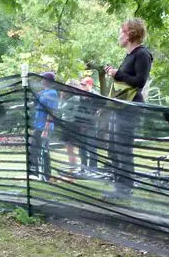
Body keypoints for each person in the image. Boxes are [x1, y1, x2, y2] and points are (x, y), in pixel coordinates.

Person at [104, 19, 154, 197]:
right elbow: (125, 79)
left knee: (123, 147)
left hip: (131, 108)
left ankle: (124, 189)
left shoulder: (142, 54)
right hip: (121, 108)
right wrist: (114, 73)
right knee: (116, 147)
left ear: (131, 34)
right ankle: (119, 187)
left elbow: (139, 82)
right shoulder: (129, 55)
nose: (119, 35)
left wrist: (118, 74)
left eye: (121, 32)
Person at [60, 76, 97, 174]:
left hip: (91, 125)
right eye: (81, 84)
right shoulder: (80, 96)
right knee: (82, 147)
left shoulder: (96, 95)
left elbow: (97, 109)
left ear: (90, 85)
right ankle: (83, 168)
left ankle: (93, 169)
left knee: (92, 147)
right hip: (80, 125)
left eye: (84, 85)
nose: (81, 86)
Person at [29, 72, 59, 181]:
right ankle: (35, 173)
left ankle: (46, 175)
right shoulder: (43, 93)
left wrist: (46, 130)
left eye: (43, 78)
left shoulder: (52, 93)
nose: (41, 80)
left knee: (43, 151)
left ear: (48, 81)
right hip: (38, 126)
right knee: (34, 149)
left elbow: (52, 113)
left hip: (45, 127)